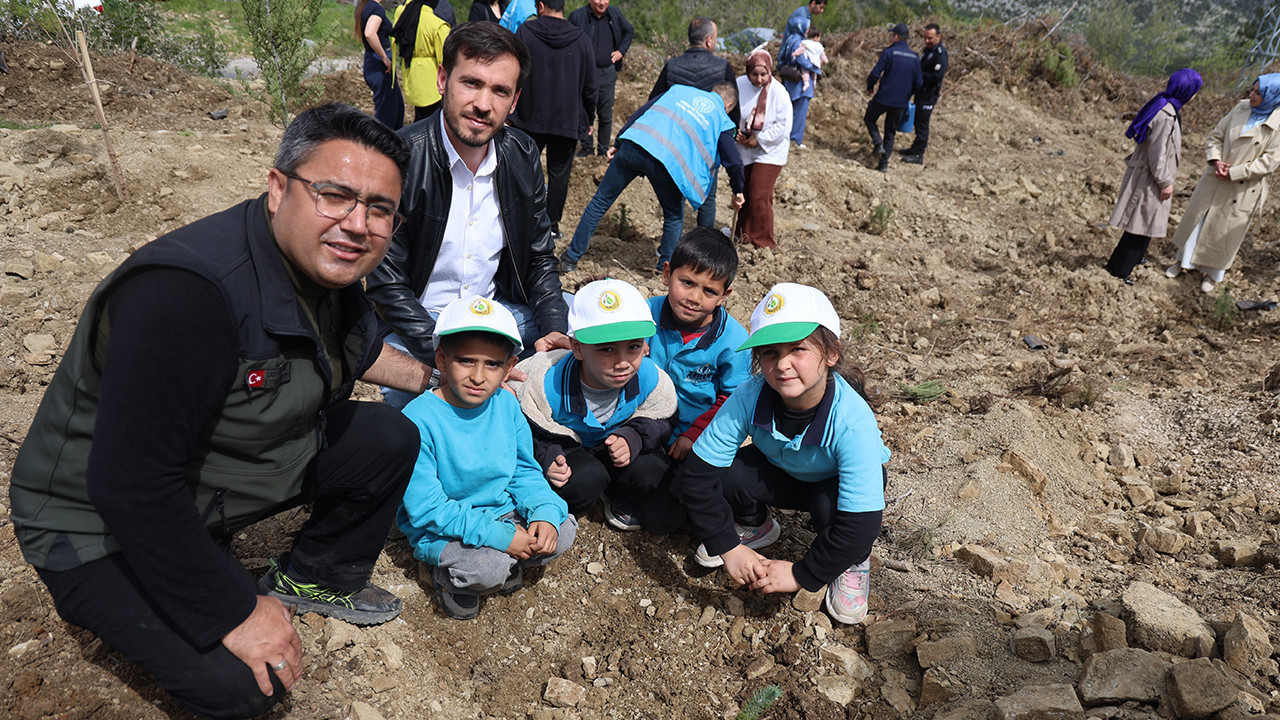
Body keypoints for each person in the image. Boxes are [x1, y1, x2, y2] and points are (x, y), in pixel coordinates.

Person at [8, 104, 434, 719]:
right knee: (247, 685)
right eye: (334, 195)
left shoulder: (328, 269)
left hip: (207, 474)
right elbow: (127, 483)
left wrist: (440, 376)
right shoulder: (187, 295)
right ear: (277, 187)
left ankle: (310, 579)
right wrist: (231, 609)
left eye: (379, 209)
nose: (356, 223)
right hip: (92, 521)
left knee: (386, 437)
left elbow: (358, 352)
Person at [367, 21, 570, 409]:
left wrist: (556, 329)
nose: (482, 104)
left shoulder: (522, 154)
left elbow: (540, 259)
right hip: (418, 325)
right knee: (411, 413)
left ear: (514, 101)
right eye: (472, 83)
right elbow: (386, 283)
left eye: (499, 91)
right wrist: (450, 356)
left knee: (584, 339)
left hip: (496, 312)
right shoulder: (401, 157)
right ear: (443, 79)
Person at [673, 283, 891, 626]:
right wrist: (727, 546)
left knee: (834, 509)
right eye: (770, 352)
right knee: (732, 476)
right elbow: (698, 477)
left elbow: (863, 523)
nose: (783, 364)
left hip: (831, 484)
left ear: (831, 354)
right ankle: (755, 525)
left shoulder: (852, 419)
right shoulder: (749, 396)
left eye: (798, 349)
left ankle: (851, 562)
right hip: (782, 471)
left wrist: (802, 574)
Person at [397, 296, 578, 620]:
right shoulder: (417, 420)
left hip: (501, 509)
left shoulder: (507, 407)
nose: (479, 377)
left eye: (492, 364)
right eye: (466, 361)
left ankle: (510, 553)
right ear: (441, 359)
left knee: (561, 529)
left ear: (509, 367)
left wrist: (543, 511)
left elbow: (523, 470)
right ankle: (454, 579)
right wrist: (500, 537)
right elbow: (428, 508)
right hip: (445, 526)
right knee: (487, 567)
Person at [511, 278, 680, 532]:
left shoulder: (650, 377)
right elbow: (521, 423)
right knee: (582, 480)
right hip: (569, 449)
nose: (622, 362)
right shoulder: (544, 380)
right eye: (606, 349)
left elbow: (664, 415)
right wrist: (547, 455)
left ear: (645, 346)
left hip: (614, 444)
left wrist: (633, 436)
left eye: (633, 346)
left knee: (652, 469)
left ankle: (616, 496)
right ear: (577, 348)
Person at [560, 83, 746, 273]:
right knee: (673, 217)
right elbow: (734, 161)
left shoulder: (678, 90)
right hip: (667, 164)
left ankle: (570, 258)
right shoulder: (723, 120)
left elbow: (642, 111)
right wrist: (738, 189)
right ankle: (662, 269)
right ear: (729, 105)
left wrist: (619, 141)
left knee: (600, 201)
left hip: (635, 144)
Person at [1167, 74, 1280, 294]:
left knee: (1223, 232)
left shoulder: (1277, 125)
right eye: (1252, 90)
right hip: (1215, 176)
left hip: (1242, 186)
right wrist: (1216, 160)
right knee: (1197, 221)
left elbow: (1269, 162)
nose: (1252, 95)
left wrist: (1235, 172)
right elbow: (1215, 136)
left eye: (1258, 93)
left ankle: (1212, 274)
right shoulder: (1240, 108)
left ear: (1271, 96)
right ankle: (1182, 262)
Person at [647, 229, 750, 466]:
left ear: (724, 295)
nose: (694, 297)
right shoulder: (644, 316)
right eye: (687, 283)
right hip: (644, 422)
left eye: (710, 291)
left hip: (697, 436)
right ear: (667, 274)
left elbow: (734, 397)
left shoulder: (733, 340)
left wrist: (694, 434)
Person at [1105, 68, 1202, 285]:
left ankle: (1134, 259)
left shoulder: (1167, 106)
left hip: (1151, 175)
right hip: (1149, 177)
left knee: (1145, 221)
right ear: (1187, 91)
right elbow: (1156, 153)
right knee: (1139, 224)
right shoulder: (1166, 115)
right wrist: (1165, 182)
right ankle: (1119, 269)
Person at [514, 0, 597, 240]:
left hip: (529, 116)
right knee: (559, 174)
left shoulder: (526, 33)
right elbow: (590, 87)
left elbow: (513, 72)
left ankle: (523, 218)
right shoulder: (581, 39)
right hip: (567, 118)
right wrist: (588, 118)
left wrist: (510, 109)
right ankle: (551, 225)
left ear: (540, 5)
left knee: (525, 169)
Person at [649, 17, 738, 229]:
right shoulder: (722, 67)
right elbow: (733, 108)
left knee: (675, 195)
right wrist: (731, 137)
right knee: (707, 196)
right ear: (708, 41)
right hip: (706, 142)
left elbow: (654, 101)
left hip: (674, 141)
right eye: (715, 38)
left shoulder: (672, 65)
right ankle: (703, 244)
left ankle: (670, 249)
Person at [734, 50, 793, 249]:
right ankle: (743, 234)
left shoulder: (779, 93)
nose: (759, 79)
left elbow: (783, 127)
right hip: (744, 147)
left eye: (763, 74)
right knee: (744, 192)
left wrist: (759, 139)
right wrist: (737, 133)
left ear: (770, 72)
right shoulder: (739, 85)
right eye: (754, 74)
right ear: (748, 72)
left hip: (770, 150)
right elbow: (730, 111)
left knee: (759, 192)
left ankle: (764, 242)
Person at [568, 0, 634, 157]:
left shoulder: (615, 14)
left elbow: (629, 31)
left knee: (605, 114)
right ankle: (586, 147)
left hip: (607, 72)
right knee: (584, 111)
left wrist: (621, 51)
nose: (602, 2)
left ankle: (603, 149)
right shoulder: (577, 16)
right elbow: (568, 39)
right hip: (584, 73)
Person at [864, 23, 921, 173]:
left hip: (883, 97)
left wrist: (870, 86)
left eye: (892, 35)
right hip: (901, 102)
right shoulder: (915, 57)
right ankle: (883, 164)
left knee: (869, 118)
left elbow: (876, 73)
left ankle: (877, 144)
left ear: (896, 37)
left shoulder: (889, 53)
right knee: (890, 132)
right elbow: (919, 82)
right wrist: (908, 95)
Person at [777, 0, 826, 150]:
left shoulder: (792, 38)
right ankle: (795, 139)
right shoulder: (798, 39)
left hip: (791, 75)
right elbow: (800, 57)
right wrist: (813, 68)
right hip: (798, 77)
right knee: (799, 108)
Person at [392, 0, 450, 123]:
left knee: (420, 117)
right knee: (431, 120)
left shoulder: (405, 14)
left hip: (411, 72)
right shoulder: (438, 25)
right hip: (431, 80)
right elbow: (446, 60)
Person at [899, 23, 948, 165]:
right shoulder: (928, 50)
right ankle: (915, 148)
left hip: (929, 94)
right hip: (921, 91)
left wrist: (919, 75)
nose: (927, 41)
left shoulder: (941, 54)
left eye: (930, 38)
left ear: (938, 37)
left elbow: (936, 76)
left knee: (922, 123)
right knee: (918, 119)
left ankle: (919, 154)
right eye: (925, 38)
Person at [357, 0, 404, 129]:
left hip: (373, 62)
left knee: (397, 109)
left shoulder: (365, 6)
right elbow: (369, 33)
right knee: (387, 116)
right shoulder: (377, 9)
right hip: (379, 66)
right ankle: (379, 146)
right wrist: (384, 57)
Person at [795, 26, 827, 93]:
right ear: (816, 37)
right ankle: (814, 82)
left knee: (805, 72)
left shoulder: (804, 42)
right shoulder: (819, 45)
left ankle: (806, 82)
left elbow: (800, 50)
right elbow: (822, 54)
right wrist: (825, 60)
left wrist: (795, 53)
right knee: (814, 73)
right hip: (816, 63)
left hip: (808, 61)